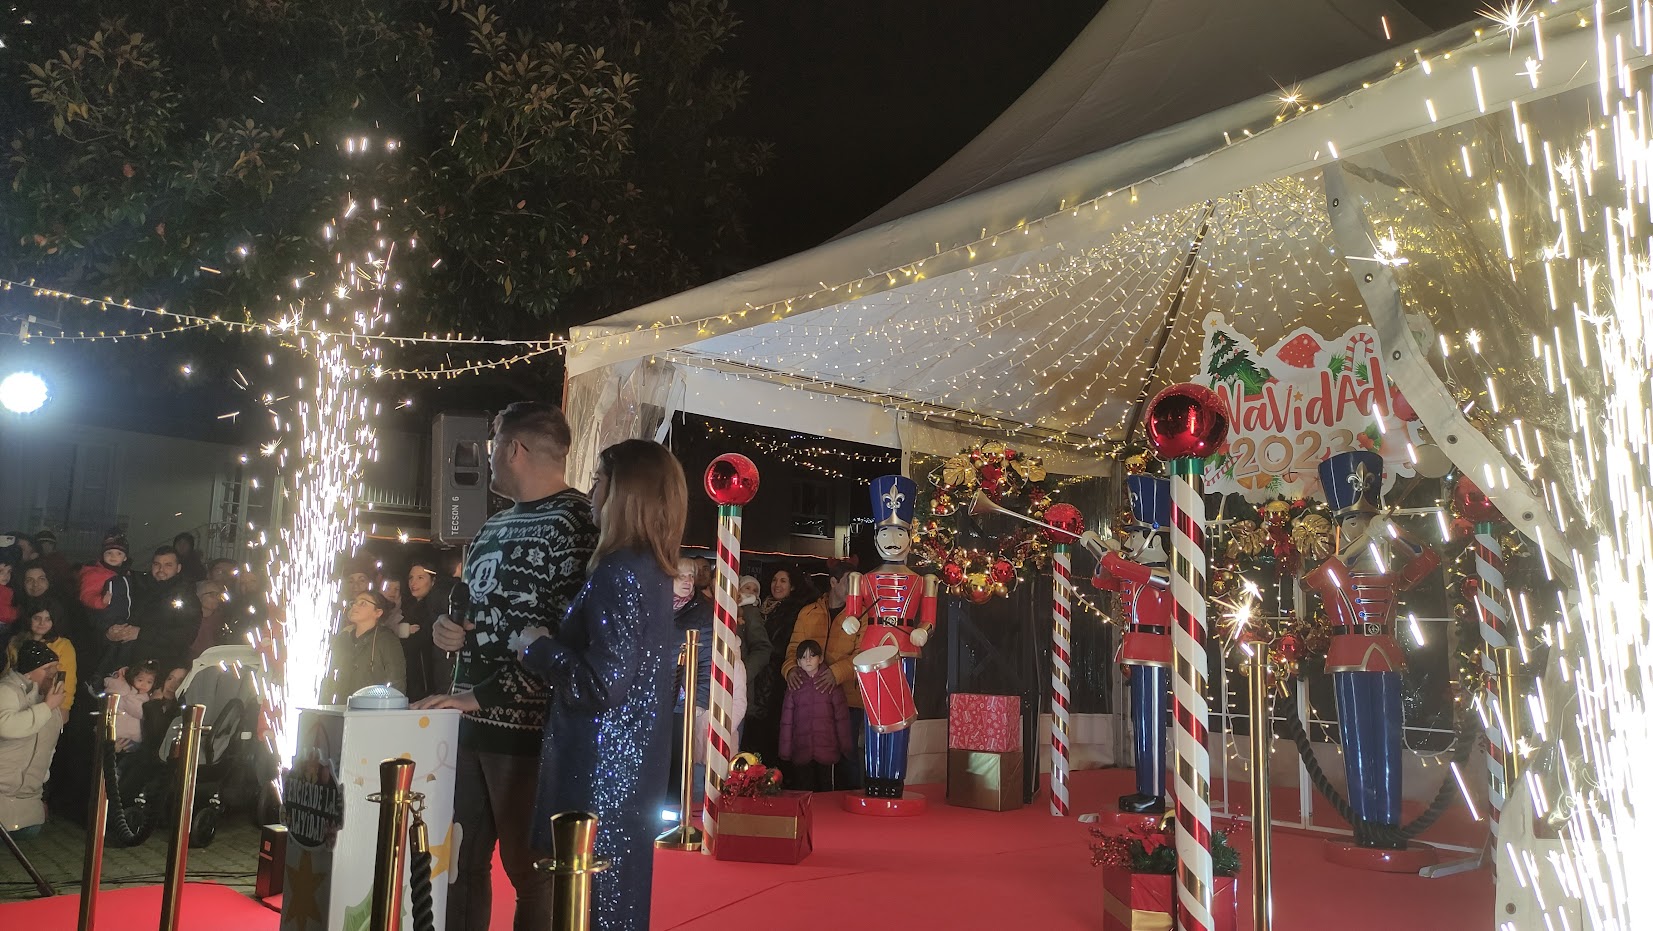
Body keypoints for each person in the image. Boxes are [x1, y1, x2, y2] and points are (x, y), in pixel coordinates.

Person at [414, 401, 599, 931]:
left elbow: (567, 639)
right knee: (459, 864)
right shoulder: (492, 526)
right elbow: (473, 612)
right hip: (466, 726)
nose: (487, 458)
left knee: (531, 870)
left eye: (492, 445)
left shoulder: (578, 523)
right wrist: (447, 633)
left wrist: (483, 696)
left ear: (513, 449)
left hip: (529, 734)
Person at [518, 438, 685, 931]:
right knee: (616, 904)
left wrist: (536, 647)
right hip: (630, 770)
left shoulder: (619, 571)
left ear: (623, 491)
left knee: (594, 906)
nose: (591, 491)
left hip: (599, 773)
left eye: (599, 479)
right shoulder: (651, 570)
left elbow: (602, 684)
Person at [780, 565, 861, 786]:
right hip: (810, 699)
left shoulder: (861, 615)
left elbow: (863, 654)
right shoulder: (808, 612)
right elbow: (793, 649)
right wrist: (790, 669)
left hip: (848, 698)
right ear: (833, 583)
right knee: (808, 759)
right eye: (849, 581)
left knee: (847, 758)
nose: (855, 588)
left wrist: (836, 673)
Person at [744, 565, 825, 770]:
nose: (777, 585)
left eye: (783, 581)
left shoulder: (792, 611)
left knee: (771, 729)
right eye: (774, 580)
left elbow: (781, 645)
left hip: (775, 678)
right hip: (758, 676)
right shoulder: (760, 608)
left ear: (792, 587)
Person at [0, 640, 67, 837]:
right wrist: (46, 707)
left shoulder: (49, 699)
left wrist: (43, 795)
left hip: (29, 805)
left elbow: (48, 751)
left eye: (55, 668)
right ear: (29, 670)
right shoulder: (7, 690)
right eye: (48, 668)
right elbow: (7, 726)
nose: (53, 673)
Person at [103, 546, 201, 674]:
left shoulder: (187, 597)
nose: (161, 570)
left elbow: (186, 635)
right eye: (157, 564)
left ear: (178, 568)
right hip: (129, 666)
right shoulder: (139, 586)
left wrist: (142, 633)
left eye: (168, 565)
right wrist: (111, 631)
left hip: (162, 668)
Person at [780, 640, 852, 791]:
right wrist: (785, 751)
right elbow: (787, 721)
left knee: (826, 789)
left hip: (827, 748)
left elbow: (842, 718)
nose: (808, 660)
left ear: (820, 659)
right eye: (804, 657)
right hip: (801, 748)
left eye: (812, 656)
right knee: (803, 788)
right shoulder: (795, 684)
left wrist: (845, 746)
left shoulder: (831, 683)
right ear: (798, 662)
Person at [322, 590, 406, 702]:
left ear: (378, 612)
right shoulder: (343, 639)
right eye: (354, 603)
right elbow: (330, 675)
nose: (355, 606)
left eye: (363, 603)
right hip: (341, 708)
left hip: (371, 710)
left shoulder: (387, 640)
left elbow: (396, 680)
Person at [6, 601, 76, 718]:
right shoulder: (15, 642)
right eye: (37, 618)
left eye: (48, 619)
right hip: (17, 699)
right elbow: (8, 671)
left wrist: (65, 706)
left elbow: (67, 679)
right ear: (29, 619)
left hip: (49, 701)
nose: (42, 623)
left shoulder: (62, 645)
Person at [400, 556, 455, 702]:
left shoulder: (432, 609)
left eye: (420, 577)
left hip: (427, 683)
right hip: (414, 679)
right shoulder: (407, 608)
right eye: (411, 578)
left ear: (433, 581)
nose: (414, 583)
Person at [734, 576, 773, 716]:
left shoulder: (750, 611)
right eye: (747, 588)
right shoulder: (728, 606)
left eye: (755, 590)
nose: (751, 592)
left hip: (739, 686)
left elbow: (762, 648)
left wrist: (742, 674)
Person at [104, 662, 158, 751]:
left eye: (149, 682)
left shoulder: (134, 693)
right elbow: (141, 712)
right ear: (133, 678)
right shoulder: (128, 694)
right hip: (123, 736)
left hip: (123, 735)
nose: (144, 684)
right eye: (140, 680)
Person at [188, 581, 230, 658]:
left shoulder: (223, 620)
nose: (216, 598)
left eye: (218, 594)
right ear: (199, 597)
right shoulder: (189, 621)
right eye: (212, 594)